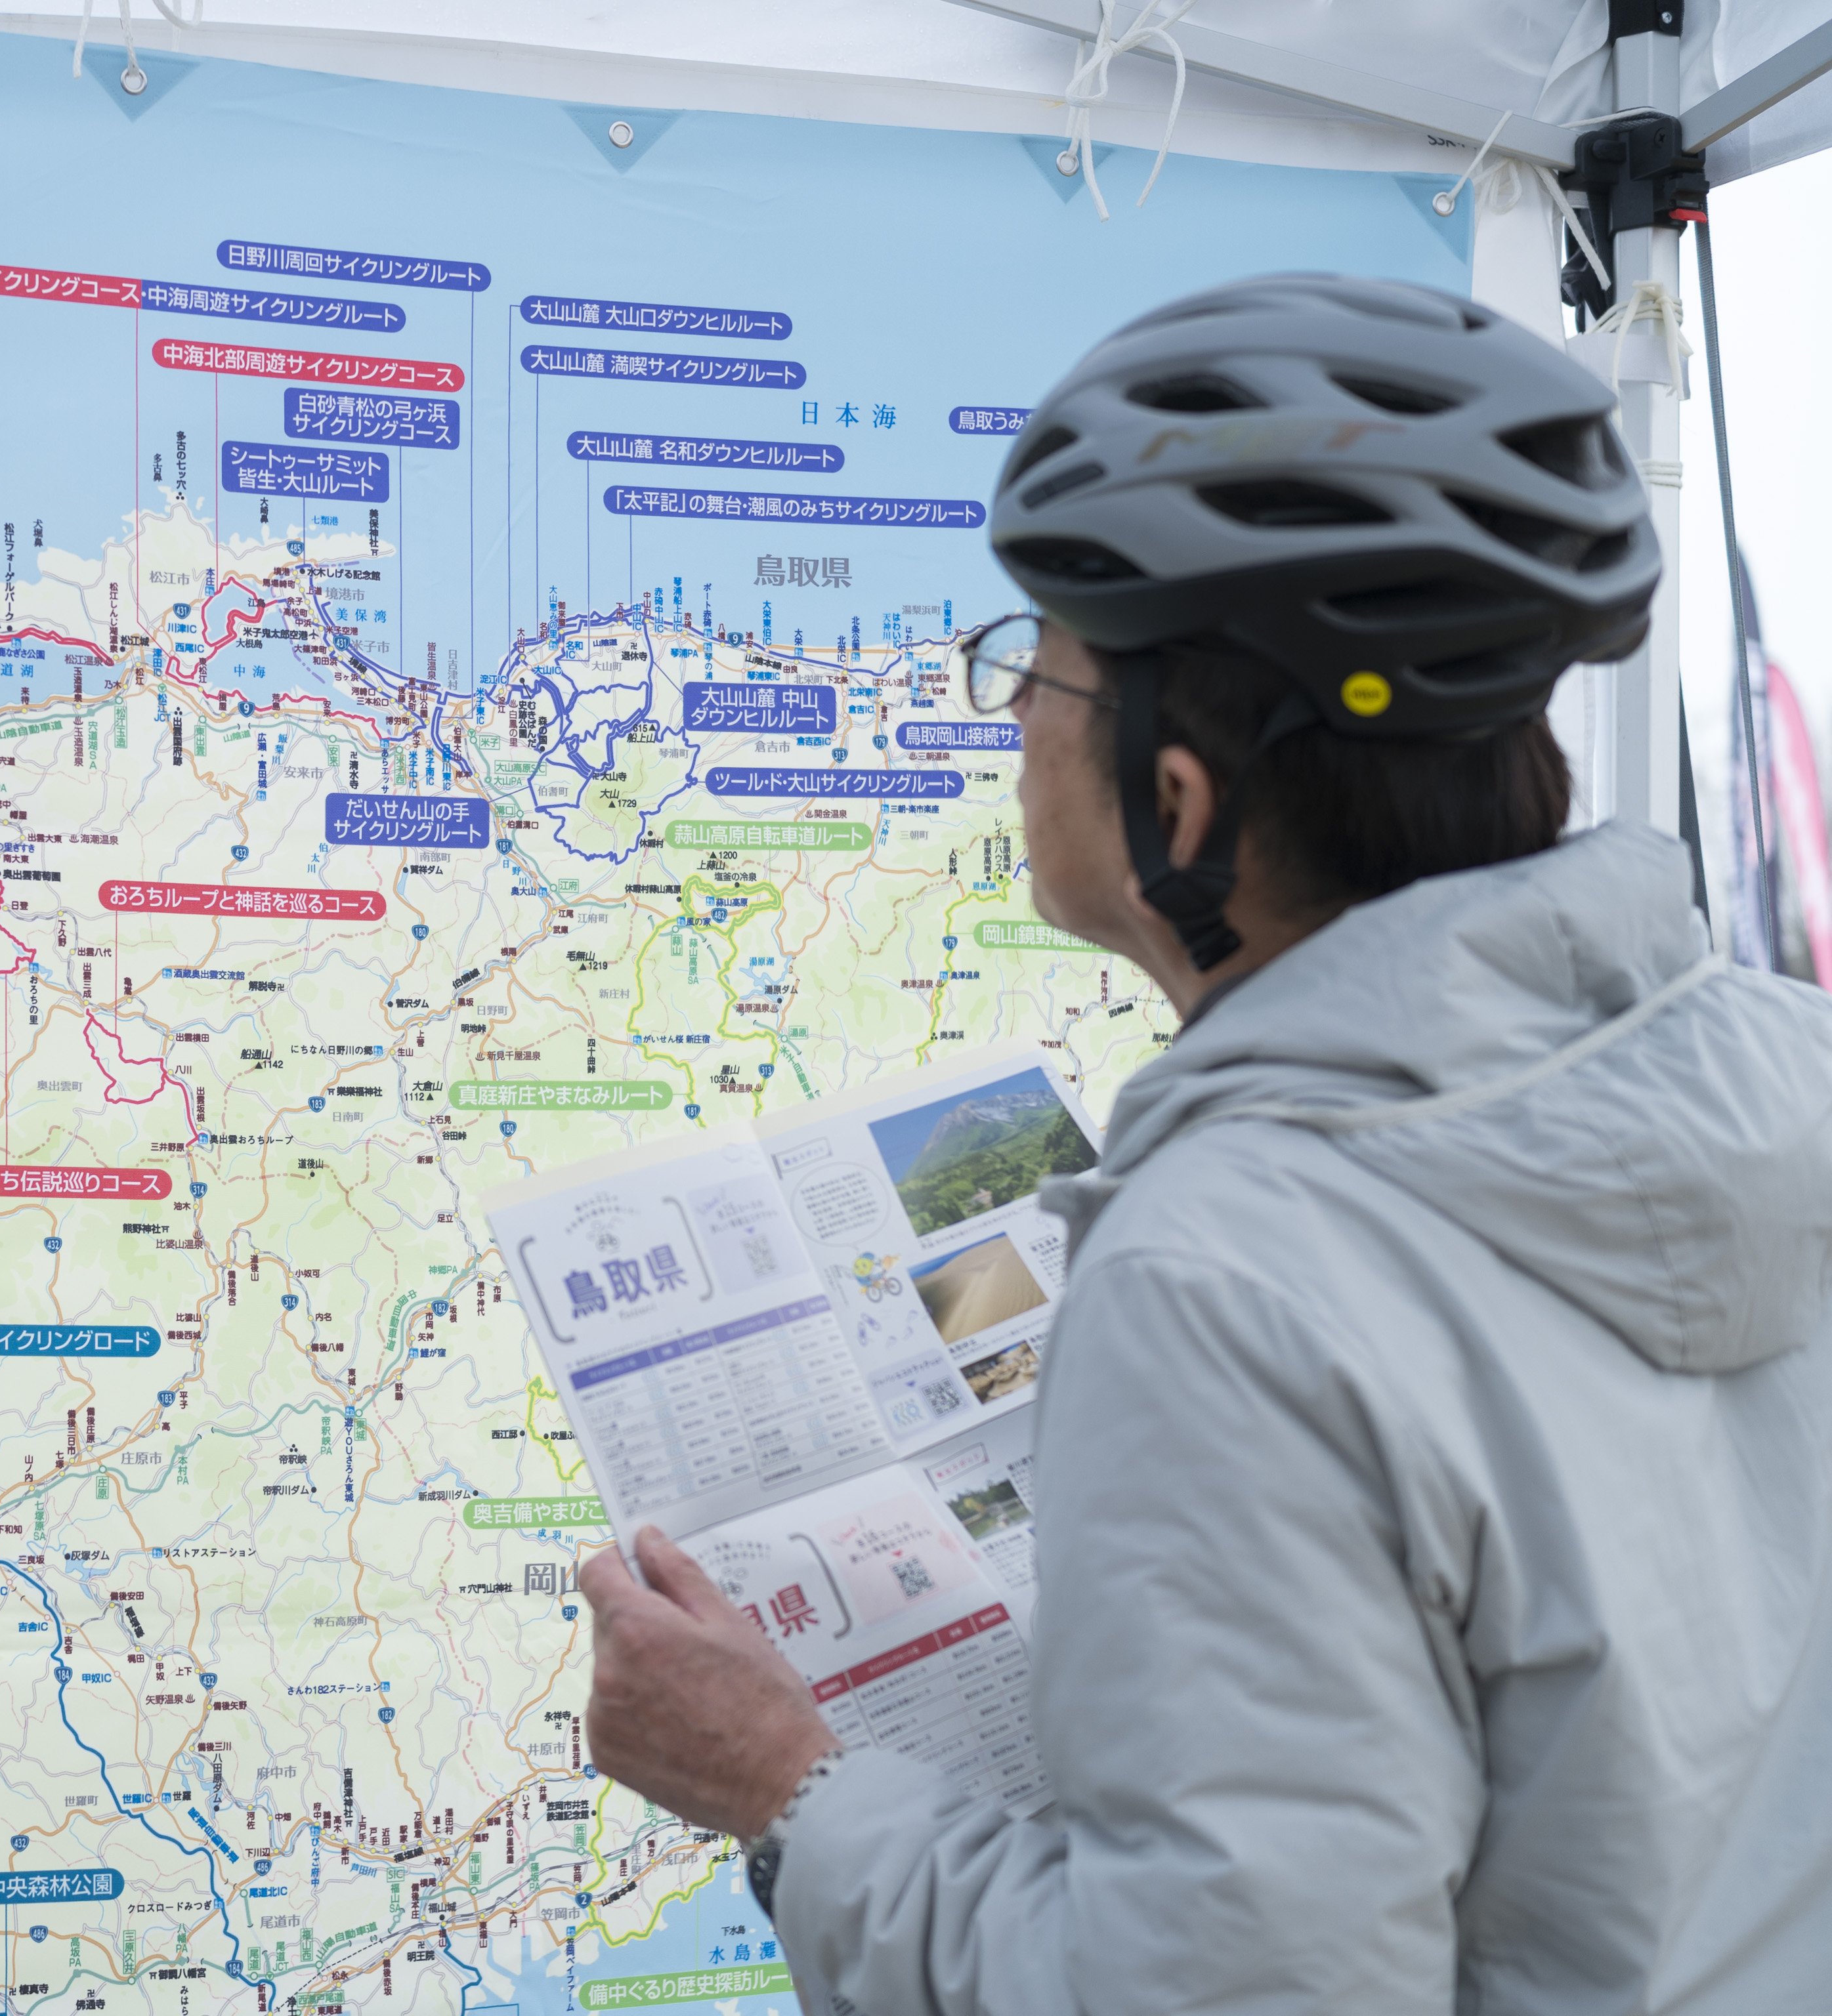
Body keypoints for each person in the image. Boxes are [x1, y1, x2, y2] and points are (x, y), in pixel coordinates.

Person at [577, 275, 1832, 2012]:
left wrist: (785, 1786)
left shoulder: (1224, 1275)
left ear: (1179, 803)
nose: (1012, 717)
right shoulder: (1791, 1070)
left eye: (1042, 669)